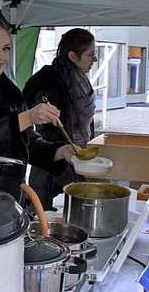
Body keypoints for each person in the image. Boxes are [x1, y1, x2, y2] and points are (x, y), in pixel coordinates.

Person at [0, 16, 75, 203]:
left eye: (6, 49)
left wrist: (60, 152)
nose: (0, 56)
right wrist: (27, 117)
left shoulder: (10, 92)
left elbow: (29, 143)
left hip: (11, 195)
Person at [22, 28, 97, 209]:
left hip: (75, 160)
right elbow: (46, 134)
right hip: (52, 171)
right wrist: (63, 158)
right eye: (91, 54)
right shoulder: (51, 83)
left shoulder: (79, 81)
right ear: (72, 56)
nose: (94, 60)